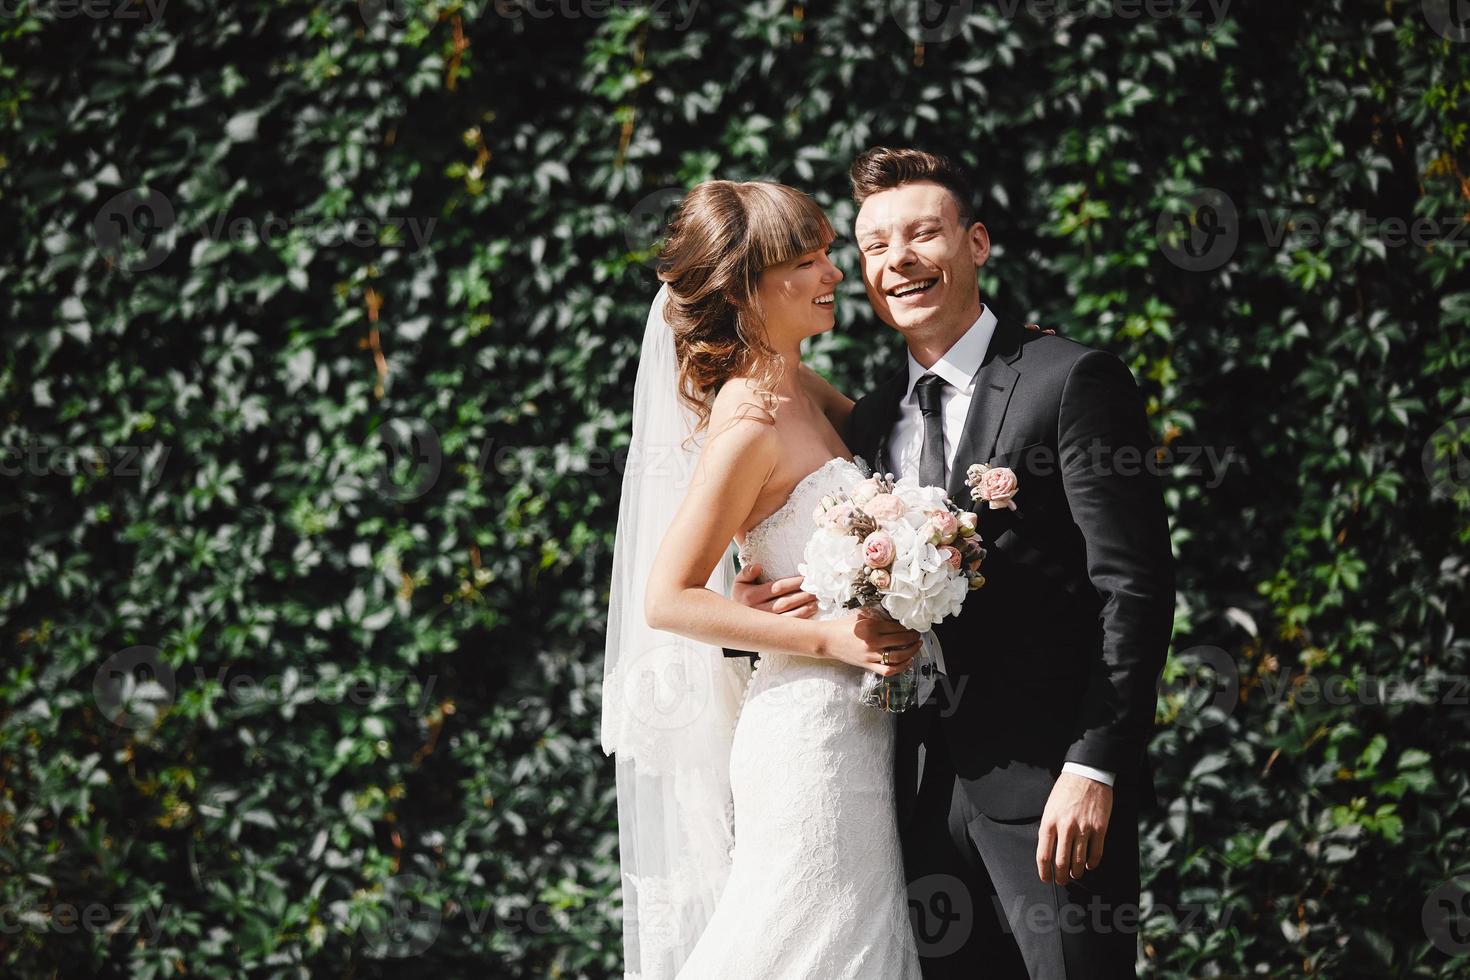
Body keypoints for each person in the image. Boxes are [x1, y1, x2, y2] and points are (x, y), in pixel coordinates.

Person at [733, 147, 1175, 979]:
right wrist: (757, 607)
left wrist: (1095, 765)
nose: (897, 260)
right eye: (873, 247)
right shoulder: (865, 422)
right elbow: (841, 576)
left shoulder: (1069, 380)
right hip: (908, 799)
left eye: (923, 234)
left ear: (975, 243)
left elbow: (1136, 589)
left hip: (1051, 792)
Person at [601, 179, 926, 979]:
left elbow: (910, 476)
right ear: (750, 287)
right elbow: (667, 596)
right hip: (810, 740)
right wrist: (824, 636)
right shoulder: (746, 420)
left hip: (861, 723)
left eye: (826, 255)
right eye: (810, 261)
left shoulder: (800, 385)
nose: (836, 275)